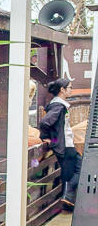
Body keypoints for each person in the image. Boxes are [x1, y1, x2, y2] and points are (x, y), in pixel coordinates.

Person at [38, 78, 81, 209]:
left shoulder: (59, 105)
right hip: (64, 146)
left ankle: (68, 197)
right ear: (62, 90)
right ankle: (67, 198)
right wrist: (45, 137)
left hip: (66, 144)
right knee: (74, 171)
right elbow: (45, 122)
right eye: (70, 88)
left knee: (79, 168)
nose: (71, 90)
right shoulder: (58, 106)